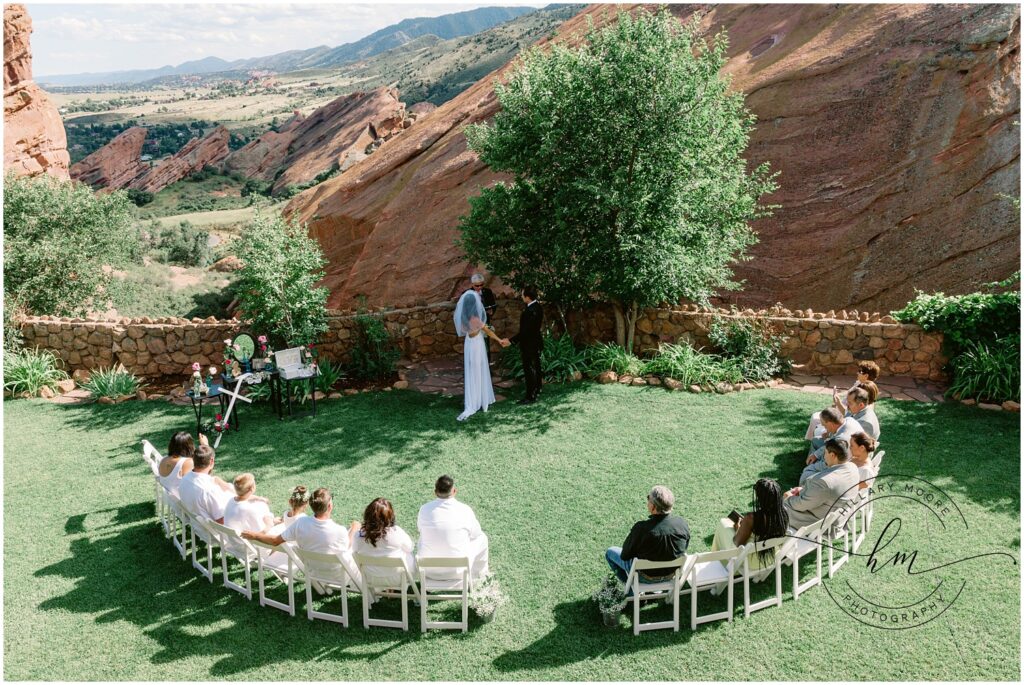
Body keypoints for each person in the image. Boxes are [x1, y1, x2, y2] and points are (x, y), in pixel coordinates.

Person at [242, 487, 362, 587]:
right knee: (356, 547)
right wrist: (354, 529)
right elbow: (348, 546)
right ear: (330, 506)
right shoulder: (339, 530)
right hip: (339, 575)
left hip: (313, 572)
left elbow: (275, 541)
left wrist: (254, 535)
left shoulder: (300, 523)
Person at [605, 485, 690, 584]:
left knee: (610, 552)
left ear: (653, 506)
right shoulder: (682, 524)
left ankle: (630, 590)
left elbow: (624, 555)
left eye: (648, 498)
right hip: (671, 576)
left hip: (645, 577)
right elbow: (684, 549)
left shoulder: (641, 529)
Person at [454, 284, 508, 421]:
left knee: (471, 370)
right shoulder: (476, 319)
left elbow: (464, 330)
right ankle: (479, 400)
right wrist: (499, 340)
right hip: (477, 345)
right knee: (479, 370)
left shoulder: (464, 318)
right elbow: (488, 331)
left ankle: (474, 397)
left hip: (468, 344)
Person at [417, 475, 489, 580]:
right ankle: (477, 575)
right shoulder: (464, 510)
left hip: (428, 570)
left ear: (435, 492)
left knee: (423, 537)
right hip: (458, 571)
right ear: (454, 491)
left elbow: (419, 529)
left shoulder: (424, 509)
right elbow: (476, 533)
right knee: (482, 538)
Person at [711, 478, 789, 572]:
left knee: (723, 523)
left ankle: (720, 564)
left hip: (751, 561)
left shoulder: (752, 518)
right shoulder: (784, 513)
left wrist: (738, 528)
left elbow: (737, 544)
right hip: (770, 558)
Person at [784, 438, 861, 530]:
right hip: (839, 516)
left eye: (825, 453)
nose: (824, 457)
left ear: (832, 455)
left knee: (779, 508)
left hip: (822, 523)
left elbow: (801, 505)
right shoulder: (852, 467)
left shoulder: (823, 482)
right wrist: (803, 490)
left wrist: (788, 498)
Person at [805, 361, 880, 439]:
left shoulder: (864, 396)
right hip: (842, 418)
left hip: (844, 435)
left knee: (817, 420)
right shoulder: (859, 388)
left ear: (866, 375)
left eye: (859, 371)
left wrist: (830, 434)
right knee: (817, 420)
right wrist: (837, 403)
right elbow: (849, 414)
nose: (857, 373)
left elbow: (851, 435)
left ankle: (815, 441)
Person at [354, 497, 417, 588]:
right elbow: (410, 547)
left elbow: (354, 551)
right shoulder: (397, 532)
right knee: (408, 553)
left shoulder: (359, 535)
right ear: (390, 516)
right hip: (397, 577)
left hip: (370, 577)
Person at [178, 444, 234, 524]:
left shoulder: (184, 479)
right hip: (214, 532)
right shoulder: (209, 491)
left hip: (198, 525)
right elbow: (222, 521)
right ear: (211, 461)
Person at [509, 286, 543, 405]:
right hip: (535, 342)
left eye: (523, 295)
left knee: (529, 368)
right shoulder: (537, 306)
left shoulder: (531, 311)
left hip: (529, 344)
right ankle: (537, 388)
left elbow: (526, 331)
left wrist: (511, 340)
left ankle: (530, 395)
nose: (521, 296)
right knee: (535, 366)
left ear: (527, 297)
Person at [158, 431, 201, 497]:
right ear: (189, 446)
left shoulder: (163, 459)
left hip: (171, 498)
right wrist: (205, 446)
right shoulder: (187, 462)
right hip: (183, 500)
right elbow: (196, 482)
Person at [470, 273, 498, 367]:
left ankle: (486, 364)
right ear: (472, 284)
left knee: (486, 343)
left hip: (485, 320)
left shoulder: (488, 291)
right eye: (477, 285)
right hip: (473, 323)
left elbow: (493, 304)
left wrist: (491, 311)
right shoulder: (468, 293)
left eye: (481, 285)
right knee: (475, 344)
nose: (479, 287)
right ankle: (475, 364)